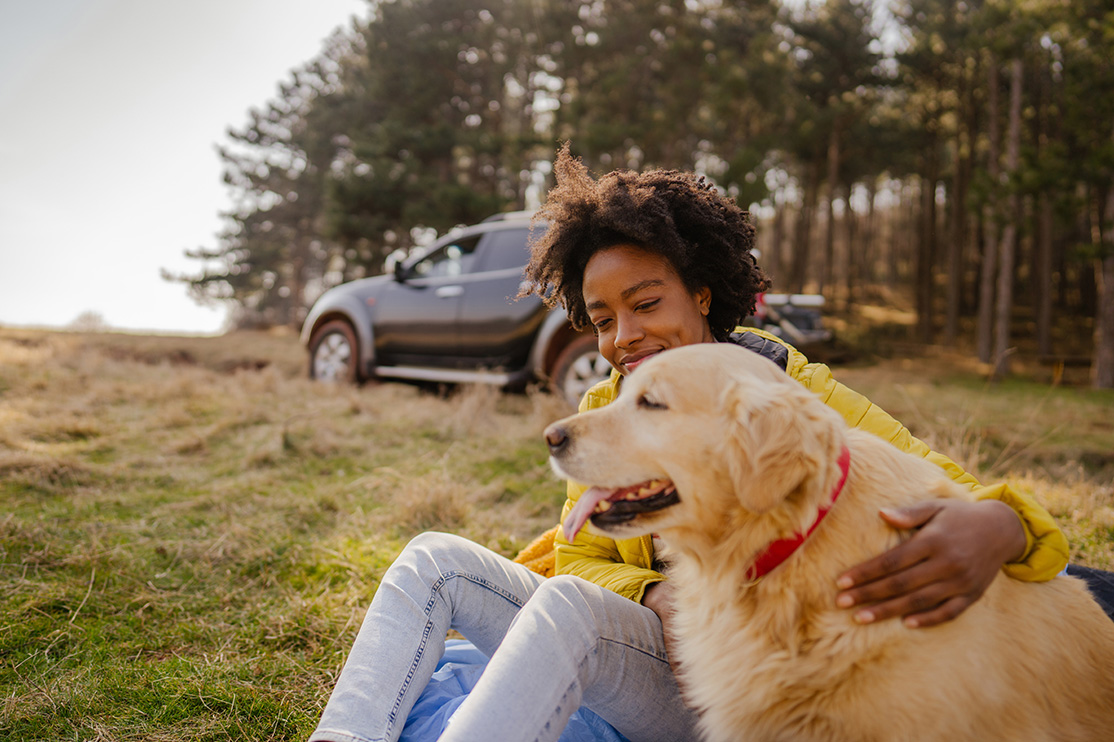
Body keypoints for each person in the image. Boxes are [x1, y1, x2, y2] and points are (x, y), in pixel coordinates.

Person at [309, 146, 1109, 742]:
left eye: (645, 302)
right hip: (665, 635)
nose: (624, 335)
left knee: (558, 609)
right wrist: (655, 595)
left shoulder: (783, 392)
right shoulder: (604, 406)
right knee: (432, 558)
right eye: (602, 318)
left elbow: (936, 482)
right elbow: (575, 548)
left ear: (700, 291)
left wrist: (1002, 525)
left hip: (743, 673)